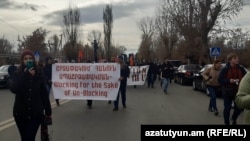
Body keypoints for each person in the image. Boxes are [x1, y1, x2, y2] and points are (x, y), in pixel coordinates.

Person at [9, 49, 52, 141]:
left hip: (35, 115)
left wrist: (48, 112)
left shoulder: (39, 74)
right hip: (20, 114)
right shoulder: (17, 74)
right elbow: (14, 89)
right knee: (24, 138)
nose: (28, 60)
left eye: (30, 58)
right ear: (22, 61)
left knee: (29, 138)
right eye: (25, 58)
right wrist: (25, 75)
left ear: (33, 60)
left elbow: (44, 94)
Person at [218, 53, 247, 125]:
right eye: (235, 58)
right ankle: (226, 122)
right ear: (230, 60)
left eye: (237, 58)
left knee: (239, 108)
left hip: (238, 91)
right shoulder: (225, 69)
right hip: (227, 91)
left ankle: (234, 118)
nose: (237, 60)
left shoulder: (241, 68)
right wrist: (228, 81)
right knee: (227, 108)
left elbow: (246, 78)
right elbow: (220, 80)